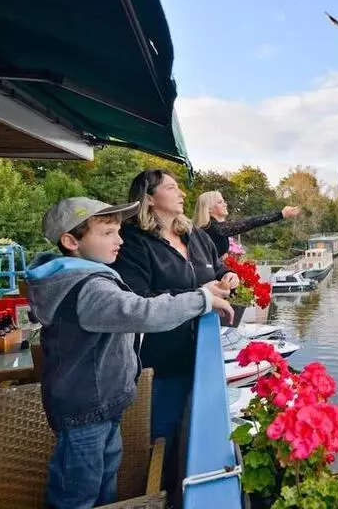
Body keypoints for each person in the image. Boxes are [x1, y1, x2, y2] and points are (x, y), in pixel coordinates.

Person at [25, 197, 234, 509]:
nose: (120, 240)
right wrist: (201, 299)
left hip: (100, 404)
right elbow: (142, 312)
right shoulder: (88, 288)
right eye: (107, 233)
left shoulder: (86, 277)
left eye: (118, 231)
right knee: (77, 494)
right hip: (87, 409)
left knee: (104, 482)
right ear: (71, 241)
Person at [111, 170, 239, 480]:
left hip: (203, 353)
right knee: (163, 436)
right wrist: (198, 295)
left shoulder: (195, 235)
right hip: (162, 361)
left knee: (198, 430)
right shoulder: (133, 242)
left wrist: (227, 276)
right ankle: (164, 491)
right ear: (149, 198)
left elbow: (217, 268)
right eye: (171, 187)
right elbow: (137, 300)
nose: (182, 193)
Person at [193, 190, 301, 259]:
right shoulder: (212, 227)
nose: (225, 204)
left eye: (224, 201)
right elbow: (249, 223)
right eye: (220, 202)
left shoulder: (213, 227)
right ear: (209, 209)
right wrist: (281, 214)